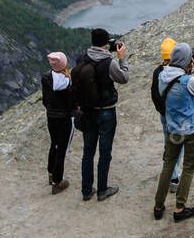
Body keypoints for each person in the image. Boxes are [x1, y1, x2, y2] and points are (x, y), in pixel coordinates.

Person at [153, 42, 194, 222]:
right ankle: (179, 208)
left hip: (172, 129)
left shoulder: (162, 76)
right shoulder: (187, 80)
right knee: (188, 167)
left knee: (168, 165)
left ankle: (158, 206)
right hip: (191, 129)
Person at [72, 28, 129, 202]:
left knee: (88, 152)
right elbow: (124, 78)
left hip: (88, 111)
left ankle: (87, 190)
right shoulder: (109, 62)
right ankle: (102, 190)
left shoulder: (82, 58)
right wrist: (122, 59)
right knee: (105, 152)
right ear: (106, 43)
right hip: (106, 112)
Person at [151, 38, 183, 193]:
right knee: (179, 142)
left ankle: (172, 175)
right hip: (179, 116)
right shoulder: (179, 71)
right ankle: (175, 176)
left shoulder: (158, 71)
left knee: (168, 142)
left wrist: (162, 111)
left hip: (165, 116)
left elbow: (154, 95)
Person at [41, 52, 75, 195]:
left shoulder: (46, 77)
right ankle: (57, 181)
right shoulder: (68, 81)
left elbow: (45, 100)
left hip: (51, 116)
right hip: (65, 118)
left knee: (54, 143)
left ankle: (51, 173)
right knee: (62, 148)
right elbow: (72, 102)